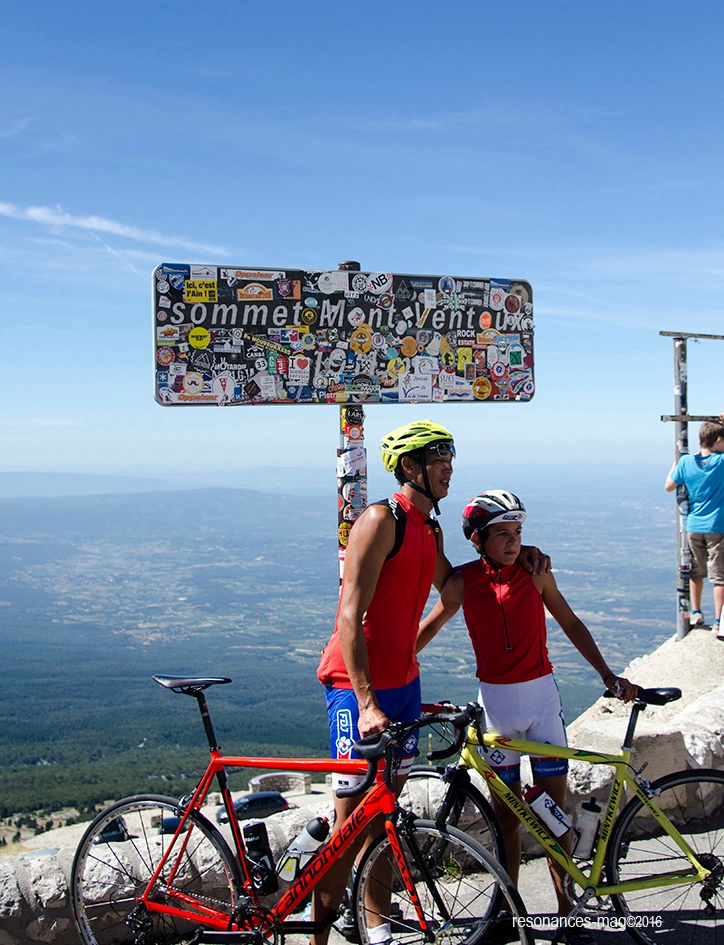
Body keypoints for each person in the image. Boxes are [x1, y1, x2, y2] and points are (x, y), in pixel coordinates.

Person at [313, 425, 548, 945]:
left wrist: (521, 553)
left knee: (383, 823)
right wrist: (368, 701)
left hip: (403, 685)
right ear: (409, 465)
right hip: (356, 688)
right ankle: (318, 938)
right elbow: (349, 617)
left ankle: (376, 930)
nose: (448, 466)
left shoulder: (431, 530)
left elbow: (455, 585)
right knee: (349, 827)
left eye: (450, 456)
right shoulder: (380, 520)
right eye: (438, 457)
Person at [417, 490, 638, 945]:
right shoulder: (462, 582)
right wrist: (379, 672)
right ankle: (505, 909)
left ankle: (567, 910)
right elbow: (430, 626)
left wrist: (607, 673)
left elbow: (571, 623)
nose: (514, 542)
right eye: (503, 534)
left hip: (541, 705)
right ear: (478, 539)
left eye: (518, 533)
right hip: (497, 707)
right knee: (506, 819)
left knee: (553, 816)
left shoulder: (535, 574)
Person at [665, 421, 724, 637]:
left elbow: (668, 485)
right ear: (718, 440)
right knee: (720, 576)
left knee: (696, 571)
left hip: (693, 525)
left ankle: (696, 611)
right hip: (718, 526)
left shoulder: (686, 462)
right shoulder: (721, 462)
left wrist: (676, 461)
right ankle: (720, 621)